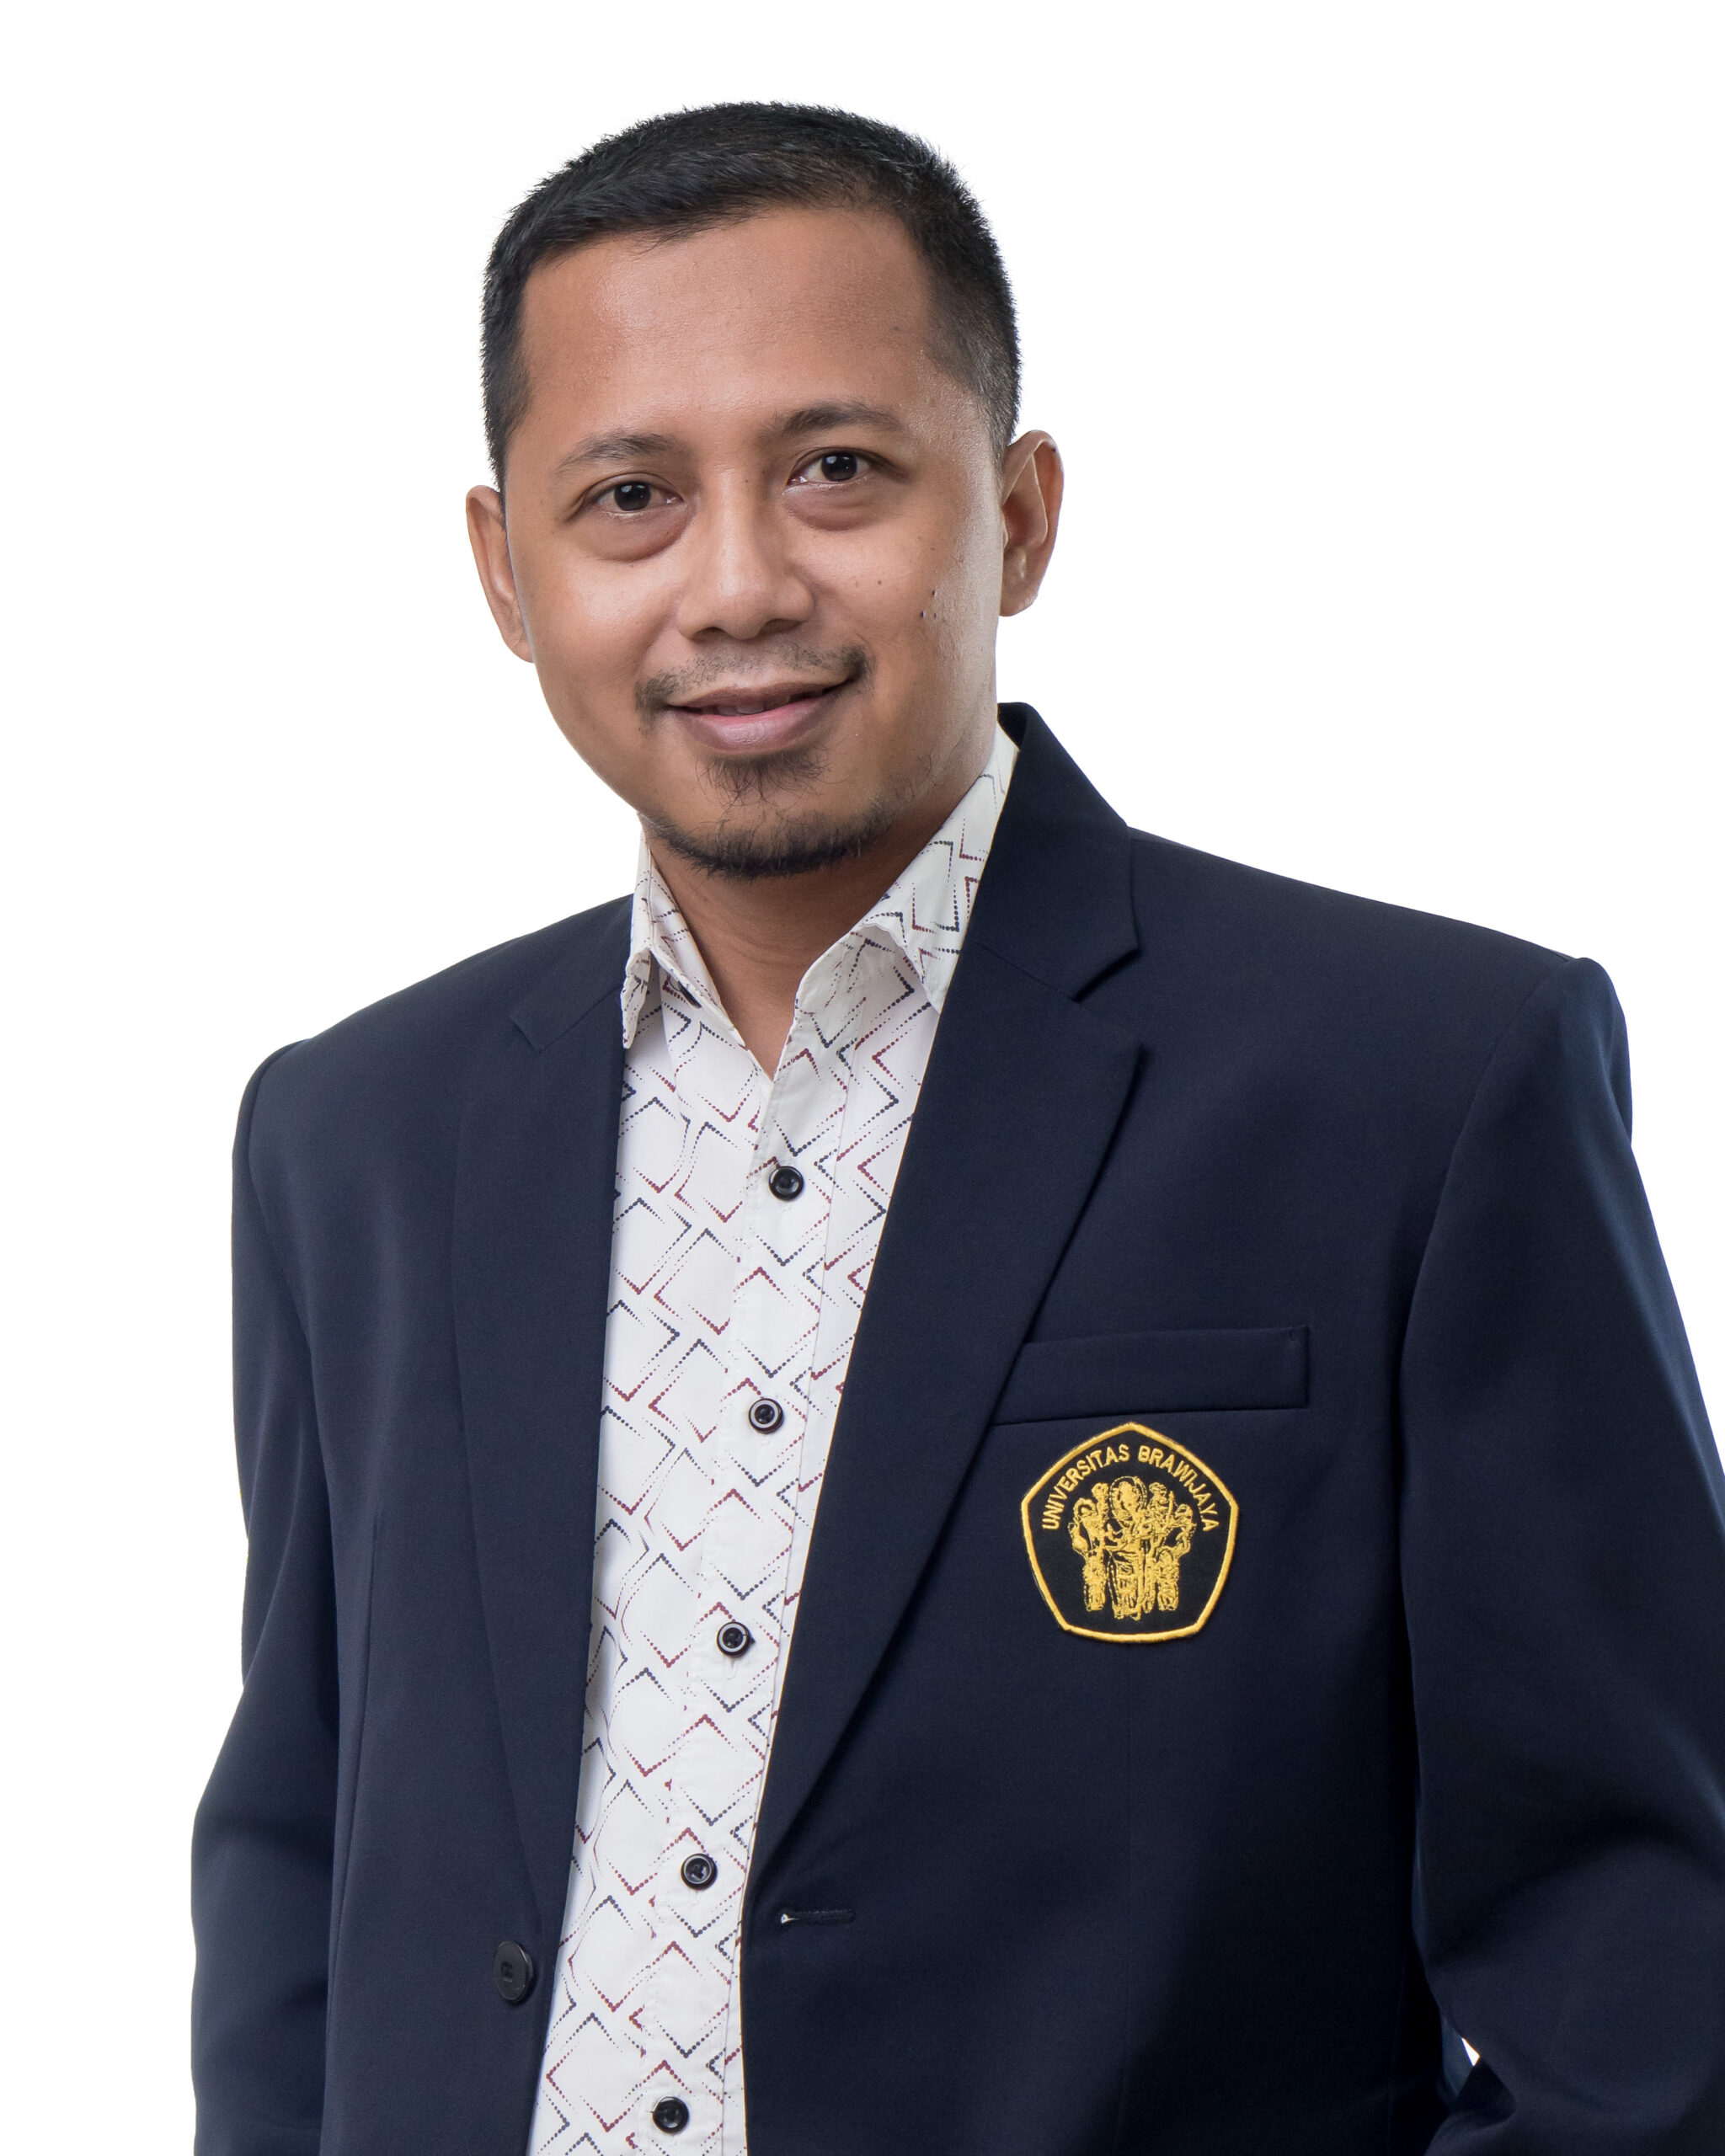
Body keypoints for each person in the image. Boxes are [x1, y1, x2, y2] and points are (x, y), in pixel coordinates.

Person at [190, 103, 1725, 2156]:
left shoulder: (1424, 1084)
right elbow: (302, 1845)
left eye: (836, 469)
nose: (738, 584)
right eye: (630, 496)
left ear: (1015, 511)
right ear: (506, 569)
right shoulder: (351, 1134)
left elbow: (1643, 1971)